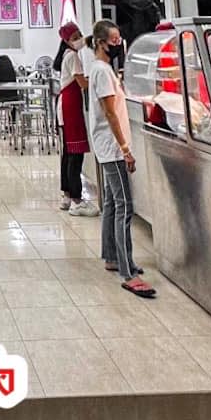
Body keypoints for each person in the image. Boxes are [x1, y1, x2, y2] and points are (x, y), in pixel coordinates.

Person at [88, 19, 156, 299]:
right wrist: (125, 148)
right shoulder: (102, 72)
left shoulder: (102, 70)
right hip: (112, 148)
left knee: (111, 203)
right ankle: (128, 273)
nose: (118, 44)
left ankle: (112, 257)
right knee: (124, 206)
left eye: (119, 39)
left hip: (108, 146)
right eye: (113, 40)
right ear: (100, 43)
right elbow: (110, 113)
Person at [57, 22, 97, 217]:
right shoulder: (72, 56)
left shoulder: (67, 55)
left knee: (68, 152)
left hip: (65, 106)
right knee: (75, 153)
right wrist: (100, 77)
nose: (79, 39)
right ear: (66, 41)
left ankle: (66, 195)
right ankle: (77, 200)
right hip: (70, 107)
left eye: (80, 35)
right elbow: (82, 83)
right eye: (75, 37)